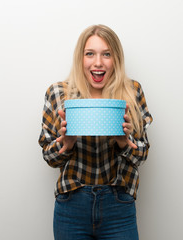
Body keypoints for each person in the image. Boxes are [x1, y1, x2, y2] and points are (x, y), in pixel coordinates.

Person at [38, 24, 153, 240]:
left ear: (116, 59)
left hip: (119, 205)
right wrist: (66, 143)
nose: (98, 62)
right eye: (90, 54)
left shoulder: (131, 92)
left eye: (106, 54)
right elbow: (48, 156)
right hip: (71, 205)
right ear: (80, 58)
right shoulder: (58, 94)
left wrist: (123, 141)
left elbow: (142, 155)